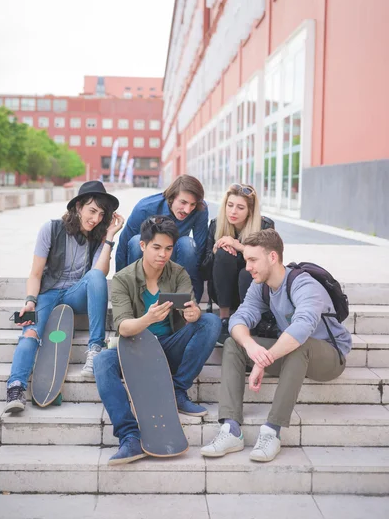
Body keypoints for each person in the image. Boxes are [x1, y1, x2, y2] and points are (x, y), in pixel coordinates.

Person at [201, 229, 352, 462]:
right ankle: (231, 429)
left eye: (253, 260)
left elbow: (302, 328)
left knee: (298, 345)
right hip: (292, 356)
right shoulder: (260, 286)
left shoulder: (304, 284)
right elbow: (238, 319)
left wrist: (265, 360)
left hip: (330, 356)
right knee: (234, 343)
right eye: (246, 260)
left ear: (273, 257)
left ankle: (272, 431)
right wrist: (251, 347)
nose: (247, 267)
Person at [94, 215, 221, 465]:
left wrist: (192, 313)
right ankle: (129, 437)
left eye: (168, 248)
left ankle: (177, 389)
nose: (163, 254)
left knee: (210, 321)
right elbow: (123, 326)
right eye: (156, 247)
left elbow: (191, 309)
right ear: (143, 246)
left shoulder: (178, 273)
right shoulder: (123, 279)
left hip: (169, 347)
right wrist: (147, 319)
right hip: (136, 351)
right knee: (102, 362)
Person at [4, 181, 124, 414]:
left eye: (101, 214)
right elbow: (36, 273)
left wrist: (109, 236)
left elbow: (101, 273)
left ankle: (95, 349)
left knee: (97, 277)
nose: (96, 219)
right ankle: (15, 387)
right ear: (78, 207)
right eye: (92, 211)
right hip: (48, 293)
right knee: (29, 332)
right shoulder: (50, 229)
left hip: (75, 295)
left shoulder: (99, 236)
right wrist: (30, 300)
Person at [115, 175, 208, 302]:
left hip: (174, 258)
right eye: (183, 202)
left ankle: (180, 300)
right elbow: (124, 246)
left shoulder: (200, 208)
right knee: (137, 242)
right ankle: (138, 298)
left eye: (192, 204)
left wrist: (196, 294)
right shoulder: (144, 207)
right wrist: (119, 290)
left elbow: (200, 249)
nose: (187, 210)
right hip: (147, 259)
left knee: (187, 244)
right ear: (171, 197)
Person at [200, 183, 274, 344]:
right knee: (222, 253)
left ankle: (249, 319)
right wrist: (215, 251)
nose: (233, 212)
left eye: (240, 207)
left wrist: (238, 246)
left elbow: (270, 267)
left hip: (253, 293)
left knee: (247, 271)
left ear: (250, 211)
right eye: (230, 205)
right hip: (223, 293)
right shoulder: (215, 225)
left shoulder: (265, 227)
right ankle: (224, 319)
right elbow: (204, 272)